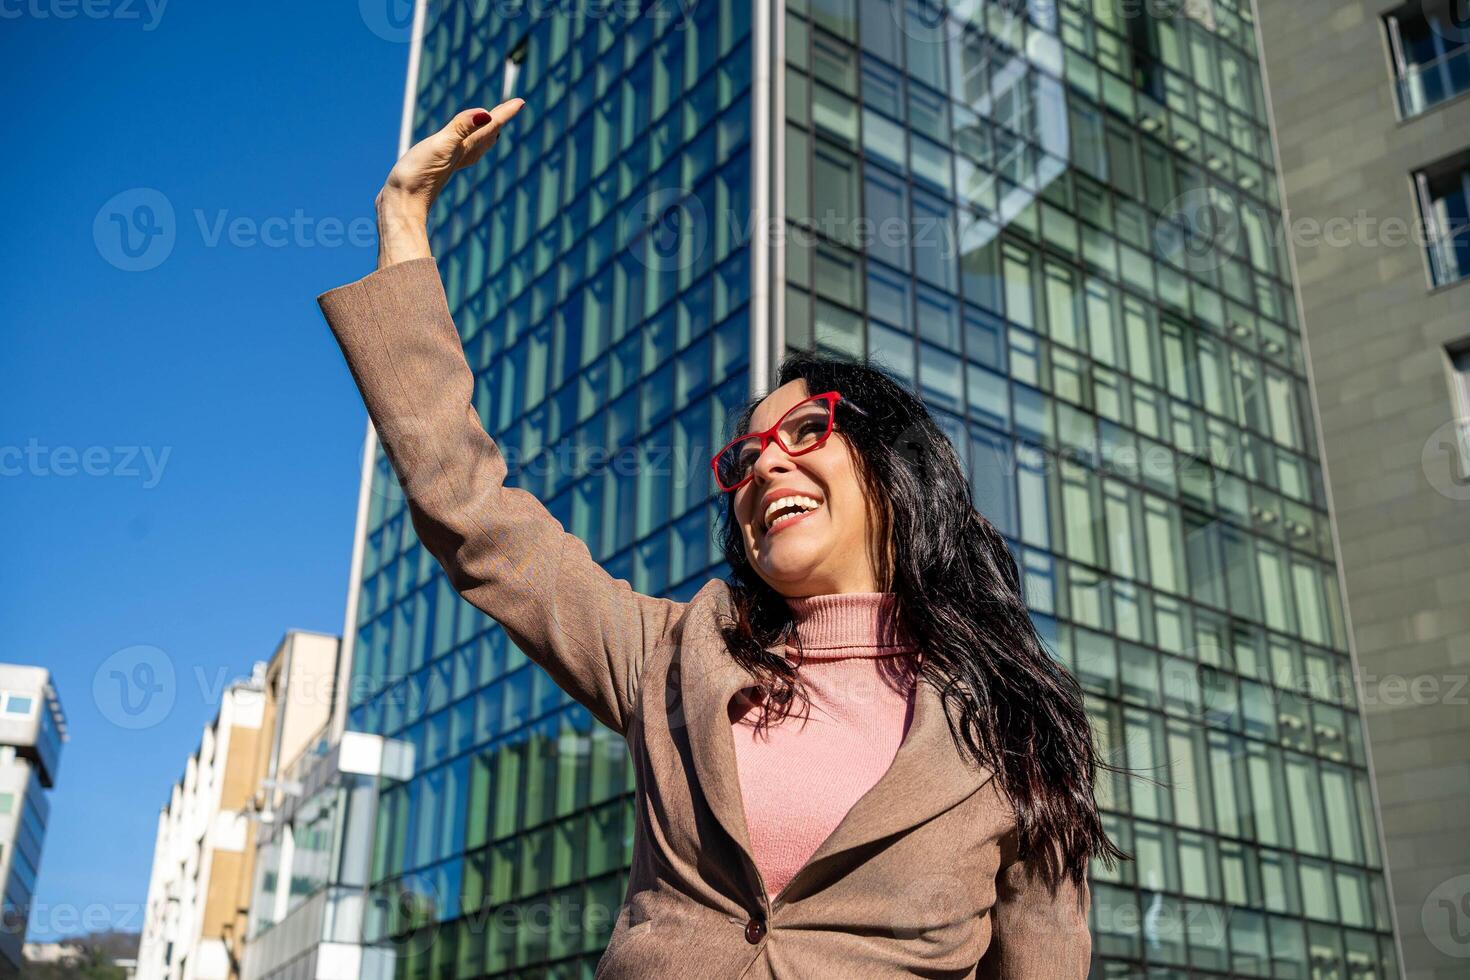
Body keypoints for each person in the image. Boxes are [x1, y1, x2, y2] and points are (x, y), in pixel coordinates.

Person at [317, 99, 1124, 979]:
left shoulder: (1011, 731)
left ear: (894, 467)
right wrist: (403, 218)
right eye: (745, 457)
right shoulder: (672, 655)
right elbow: (471, 512)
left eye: (806, 432)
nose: (766, 466)